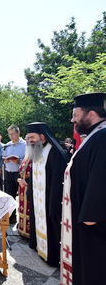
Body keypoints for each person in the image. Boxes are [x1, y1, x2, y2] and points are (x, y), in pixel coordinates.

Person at [60, 92, 106, 285]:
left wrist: (90, 215)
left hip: (94, 222)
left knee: (94, 265)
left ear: (92, 114)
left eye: (76, 116)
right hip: (84, 215)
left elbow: (100, 176)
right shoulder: (94, 135)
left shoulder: (103, 137)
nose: (73, 120)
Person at [25, 122, 68, 267]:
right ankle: (39, 247)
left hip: (49, 201)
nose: (30, 140)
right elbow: (33, 176)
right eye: (28, 138)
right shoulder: (37, 151)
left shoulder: (54, 152)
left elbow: (58, 180)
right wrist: (30, 193)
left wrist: (54, 203)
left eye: (32, 137)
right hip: (39, 201)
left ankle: (53, 257)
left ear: (42, 136)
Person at [2, 125, 26, 223]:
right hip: (9, 173)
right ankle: (11, 218)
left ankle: (22, 219)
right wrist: (6, 160)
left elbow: (28, 159)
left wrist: (19, 161)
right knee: (9, 196)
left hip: (20, 174)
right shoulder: (8, 145)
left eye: (13, 134)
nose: (11, 136)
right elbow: (3, 156)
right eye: (9, 134)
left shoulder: (25, 144)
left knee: (21, 196)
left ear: (18, 133)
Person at [17, 136, 32, 239]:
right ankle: (22, 229)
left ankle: (30, 232)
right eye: (26, 140)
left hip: (30, 188)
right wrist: (20, 179)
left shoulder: (37, 156)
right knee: (22, 209)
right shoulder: (27, 155)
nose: (27, 142)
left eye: (29, 140)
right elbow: (23, 170)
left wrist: (27, 182)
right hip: (22, 188)